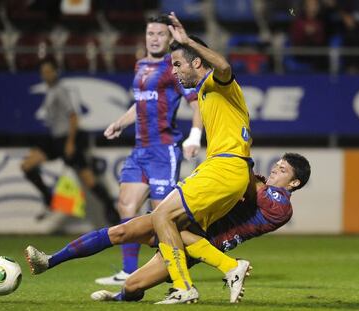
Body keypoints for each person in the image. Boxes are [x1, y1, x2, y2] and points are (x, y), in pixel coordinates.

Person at [24, 153, 311, 303]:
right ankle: (49, 261)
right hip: (188, 224)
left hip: (201, 241)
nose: (275, 169)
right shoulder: (258, 181)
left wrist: (239, 162)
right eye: (277, 165)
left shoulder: (281, 204)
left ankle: (225, 268)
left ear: (295, 183)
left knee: (132, 285)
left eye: (283, 170)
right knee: (121, 232)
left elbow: (248, 189)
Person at [147, 12, 254, 303]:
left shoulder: (217, 82)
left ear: (196, 62)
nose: (175, 71)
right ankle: (231, 266)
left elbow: (224, 65)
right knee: (176, 227)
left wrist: (186, 41)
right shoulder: (204, 92)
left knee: (160, 215)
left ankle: (183, 287)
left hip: (225, 166)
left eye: (179, 64)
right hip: (229, 169)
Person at [95, 14, 202, 285]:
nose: (154, 39)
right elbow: (140, 103)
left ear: (169, 38)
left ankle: (175, 267)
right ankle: (128, 271)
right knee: (126, 206)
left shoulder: (173, 67)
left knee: (162, 218)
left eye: (160, 34)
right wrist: (120, 122)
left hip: (163, 151)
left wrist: (194, 136)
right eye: (150, 34)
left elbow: (196, 103)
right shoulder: (141, 64)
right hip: (139, 149)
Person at [21, 58, 120, 224]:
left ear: (55, 72)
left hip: (68, 138)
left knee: (89, 181)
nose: (46, 75)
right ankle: (48, 198)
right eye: (43, 72)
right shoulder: (51, 91)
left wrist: (70, 142)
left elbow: (73, 116)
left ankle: (111, 209)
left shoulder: (61, 90)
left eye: (49, 71)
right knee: (27, 165)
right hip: (56, 139)